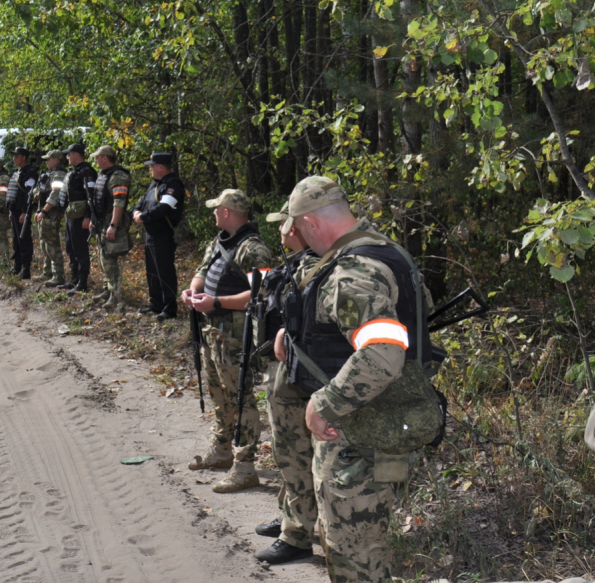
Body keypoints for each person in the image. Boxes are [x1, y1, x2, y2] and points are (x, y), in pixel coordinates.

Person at [283, 176, 434, 583]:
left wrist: (324, 403)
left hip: (357, 428)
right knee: (362, 545)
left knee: (356, 554)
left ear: (311, 223)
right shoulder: (386, 251)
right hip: (381, 417)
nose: (297, 237)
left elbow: (383, 353)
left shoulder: (353, 269)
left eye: (297, 229)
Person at [181, 188, 274, 493]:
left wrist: (217, 303)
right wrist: (194, 292)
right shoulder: (219, 241)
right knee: (218, 392)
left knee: (240, 398)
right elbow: (202, 270)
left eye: (215, 208)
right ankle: (221, 450)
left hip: (235, 335)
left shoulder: (254, 248)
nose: (212, 212)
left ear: (227, 211)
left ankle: (245, 465)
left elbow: (262, 293)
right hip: (212, 331)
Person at [253, 202, 321, 565]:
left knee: (294, 451)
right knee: (288, 453)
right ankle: (294, 514)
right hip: (285, 370)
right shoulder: (296, 264)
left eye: (282, 224)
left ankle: (297, 535)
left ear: (295, 228)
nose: (279, 230)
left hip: (296, 376)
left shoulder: (313, 268)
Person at [132, 152, 184, 320]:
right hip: (151, 233)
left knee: (164, 271)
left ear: (160, 167)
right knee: (152, 271)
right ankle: (156, 304)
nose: (150, 170)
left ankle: (169, 309)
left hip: (164, 234)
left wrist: (144, 217)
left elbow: (164, 208)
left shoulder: (173, 185)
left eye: (152, 166)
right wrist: (136, 212)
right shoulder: (155, 185)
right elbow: (140, 203)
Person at [90, 145, 133, 311]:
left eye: (97, 157)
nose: (95, 160)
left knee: (110, 259)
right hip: (102, 222)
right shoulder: (104, 175)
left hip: (112, 223)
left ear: (105, 158)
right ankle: (108, 289)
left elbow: (119, 202)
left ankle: (116, 295)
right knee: (103, 258)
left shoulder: (119, 176)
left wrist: (113, 225)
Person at [60, 143, 96, 292]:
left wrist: (88, 216)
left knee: (80, 250)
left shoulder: (87, 172)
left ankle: (82, 283)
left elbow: (91, 196)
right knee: (70, 248)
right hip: (71, 216)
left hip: (81, 217)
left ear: (76, 155)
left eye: (69, 154)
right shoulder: (73, 171)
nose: (67, 157)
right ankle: (74, 279)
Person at [33, 150, 68, 287]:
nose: (46, 161)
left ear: (57, 160)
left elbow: (55, 194)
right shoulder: (49, 174)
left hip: (51, 214)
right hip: (45, 213)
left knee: (52, 245)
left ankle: (58, 275)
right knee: (44, 244)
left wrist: (44, 211)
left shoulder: (59, 175)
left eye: (49, 159)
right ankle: (47, 271)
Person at [5, 147, 39, 278]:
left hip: (22, 212)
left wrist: (25, 212)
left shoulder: (30, 173)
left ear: (24, 157)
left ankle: (26, 269)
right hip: (14, 210)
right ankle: (17, 265)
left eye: (17, 156)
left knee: (24, 239)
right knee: (15, 239)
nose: (14, 158)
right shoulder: (16, 172)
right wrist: (10, 210)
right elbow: (12, 192)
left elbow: (29, 195)